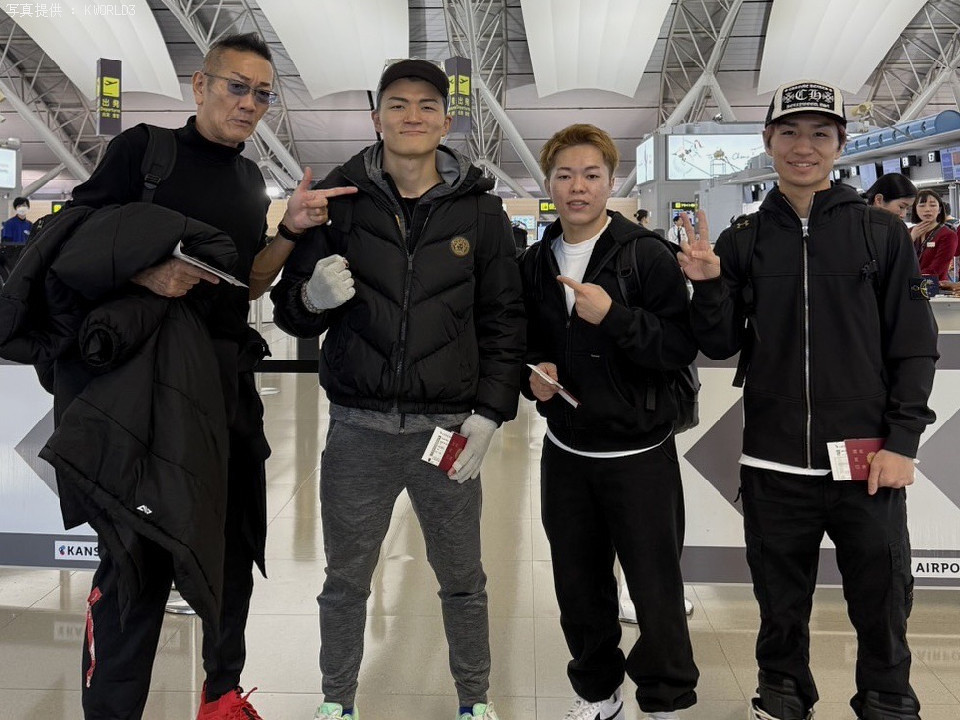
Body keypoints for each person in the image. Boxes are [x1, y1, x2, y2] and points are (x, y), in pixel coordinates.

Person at [66, 32, 352, 720]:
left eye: (263, 94)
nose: (249, 103)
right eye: (236, 86)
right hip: (145, 390)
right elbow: (73, 238)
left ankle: (220, 697)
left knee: (230, 551)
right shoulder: (144, 153)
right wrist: (145, 272)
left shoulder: (249, 181)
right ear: (201, 85)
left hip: (224, 388)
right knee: (135, 562)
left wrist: (288, 231)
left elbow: (244, 284)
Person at [271, 58, 525, 720]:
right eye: (398, 104)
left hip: (447, 430)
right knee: (346, 581)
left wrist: (491, 413)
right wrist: (310, 297)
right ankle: (336, 703)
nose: (412, 116)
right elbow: (292, 312)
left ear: (446, 120)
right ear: (376, 117)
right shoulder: (337, 203)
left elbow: (504, 320)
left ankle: (475, 701)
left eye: (426, 105)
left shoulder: (482, 212)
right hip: (358, 430)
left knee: (463, 579)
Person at [678, 80, 938, 720]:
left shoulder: (880, 234)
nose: (804, 146)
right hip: (772, 461)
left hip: (867, 460)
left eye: (820, 134)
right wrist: (708, 285)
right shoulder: (743, 239)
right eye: (790, 132)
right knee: (780, 601)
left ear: (840, 145)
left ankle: (887, 699)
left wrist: (903, 443)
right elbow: (719, 343)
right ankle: (783, 694)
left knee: (882, 598)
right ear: (768, 141)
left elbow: (913, 346)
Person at [521, 123, 699, 720]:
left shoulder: (645, 254)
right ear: (549, 183)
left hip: (638, 453)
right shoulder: (534, 261)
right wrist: (534, 373)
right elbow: (522, 341)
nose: (578, 187)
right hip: (566, 451)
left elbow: (679, 346)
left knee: (655, 586)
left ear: (611, 182)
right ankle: (598, 692)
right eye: (565, 175)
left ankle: (666, 697)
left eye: (591, 175)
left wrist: (615, 317)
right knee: (578, 586)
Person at [909, 189, 957, 281]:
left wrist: (907, 277)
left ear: (939, 210)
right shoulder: (908, 232)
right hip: (907, 285)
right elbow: (897, 260)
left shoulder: (948, 235)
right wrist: (910, 239)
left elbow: (935, 270)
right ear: (915, 209)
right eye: (922, 205)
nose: (927, 209)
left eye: (933, 205)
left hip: (935, 286)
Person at [0, 196, 31, 282]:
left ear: (28, 207)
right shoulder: (9, 224)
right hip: (12, 257)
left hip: (26, 256)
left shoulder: (30, 225)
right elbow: (6, 242)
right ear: (15, 208)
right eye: (19, 206)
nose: (22, 208)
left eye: (24, 205)